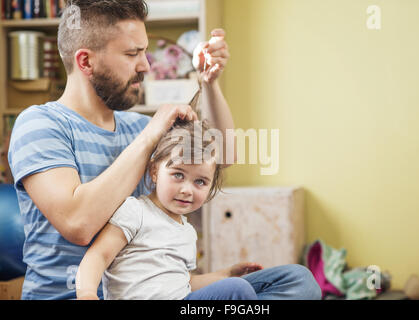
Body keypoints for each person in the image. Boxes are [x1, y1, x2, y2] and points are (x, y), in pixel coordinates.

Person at [7, 0, 233, 300]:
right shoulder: (39, 124)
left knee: (287, 281)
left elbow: (223, 155)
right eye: (132, 54)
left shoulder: (138, 127)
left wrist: (209, 84)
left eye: (144, 51)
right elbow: (79, 224)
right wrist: (151, 135)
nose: (146, 65)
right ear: (85, 62)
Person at [76, 120, 321, 300]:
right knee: (239, 292)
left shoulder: (187, 232)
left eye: (200, 182)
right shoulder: (135, 210)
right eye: (178, 175)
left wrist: (225, 274)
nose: (187, 190)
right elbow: (99, 256)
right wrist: (87, 293)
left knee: (300, 280)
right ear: (154, 171)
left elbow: (186, 283)